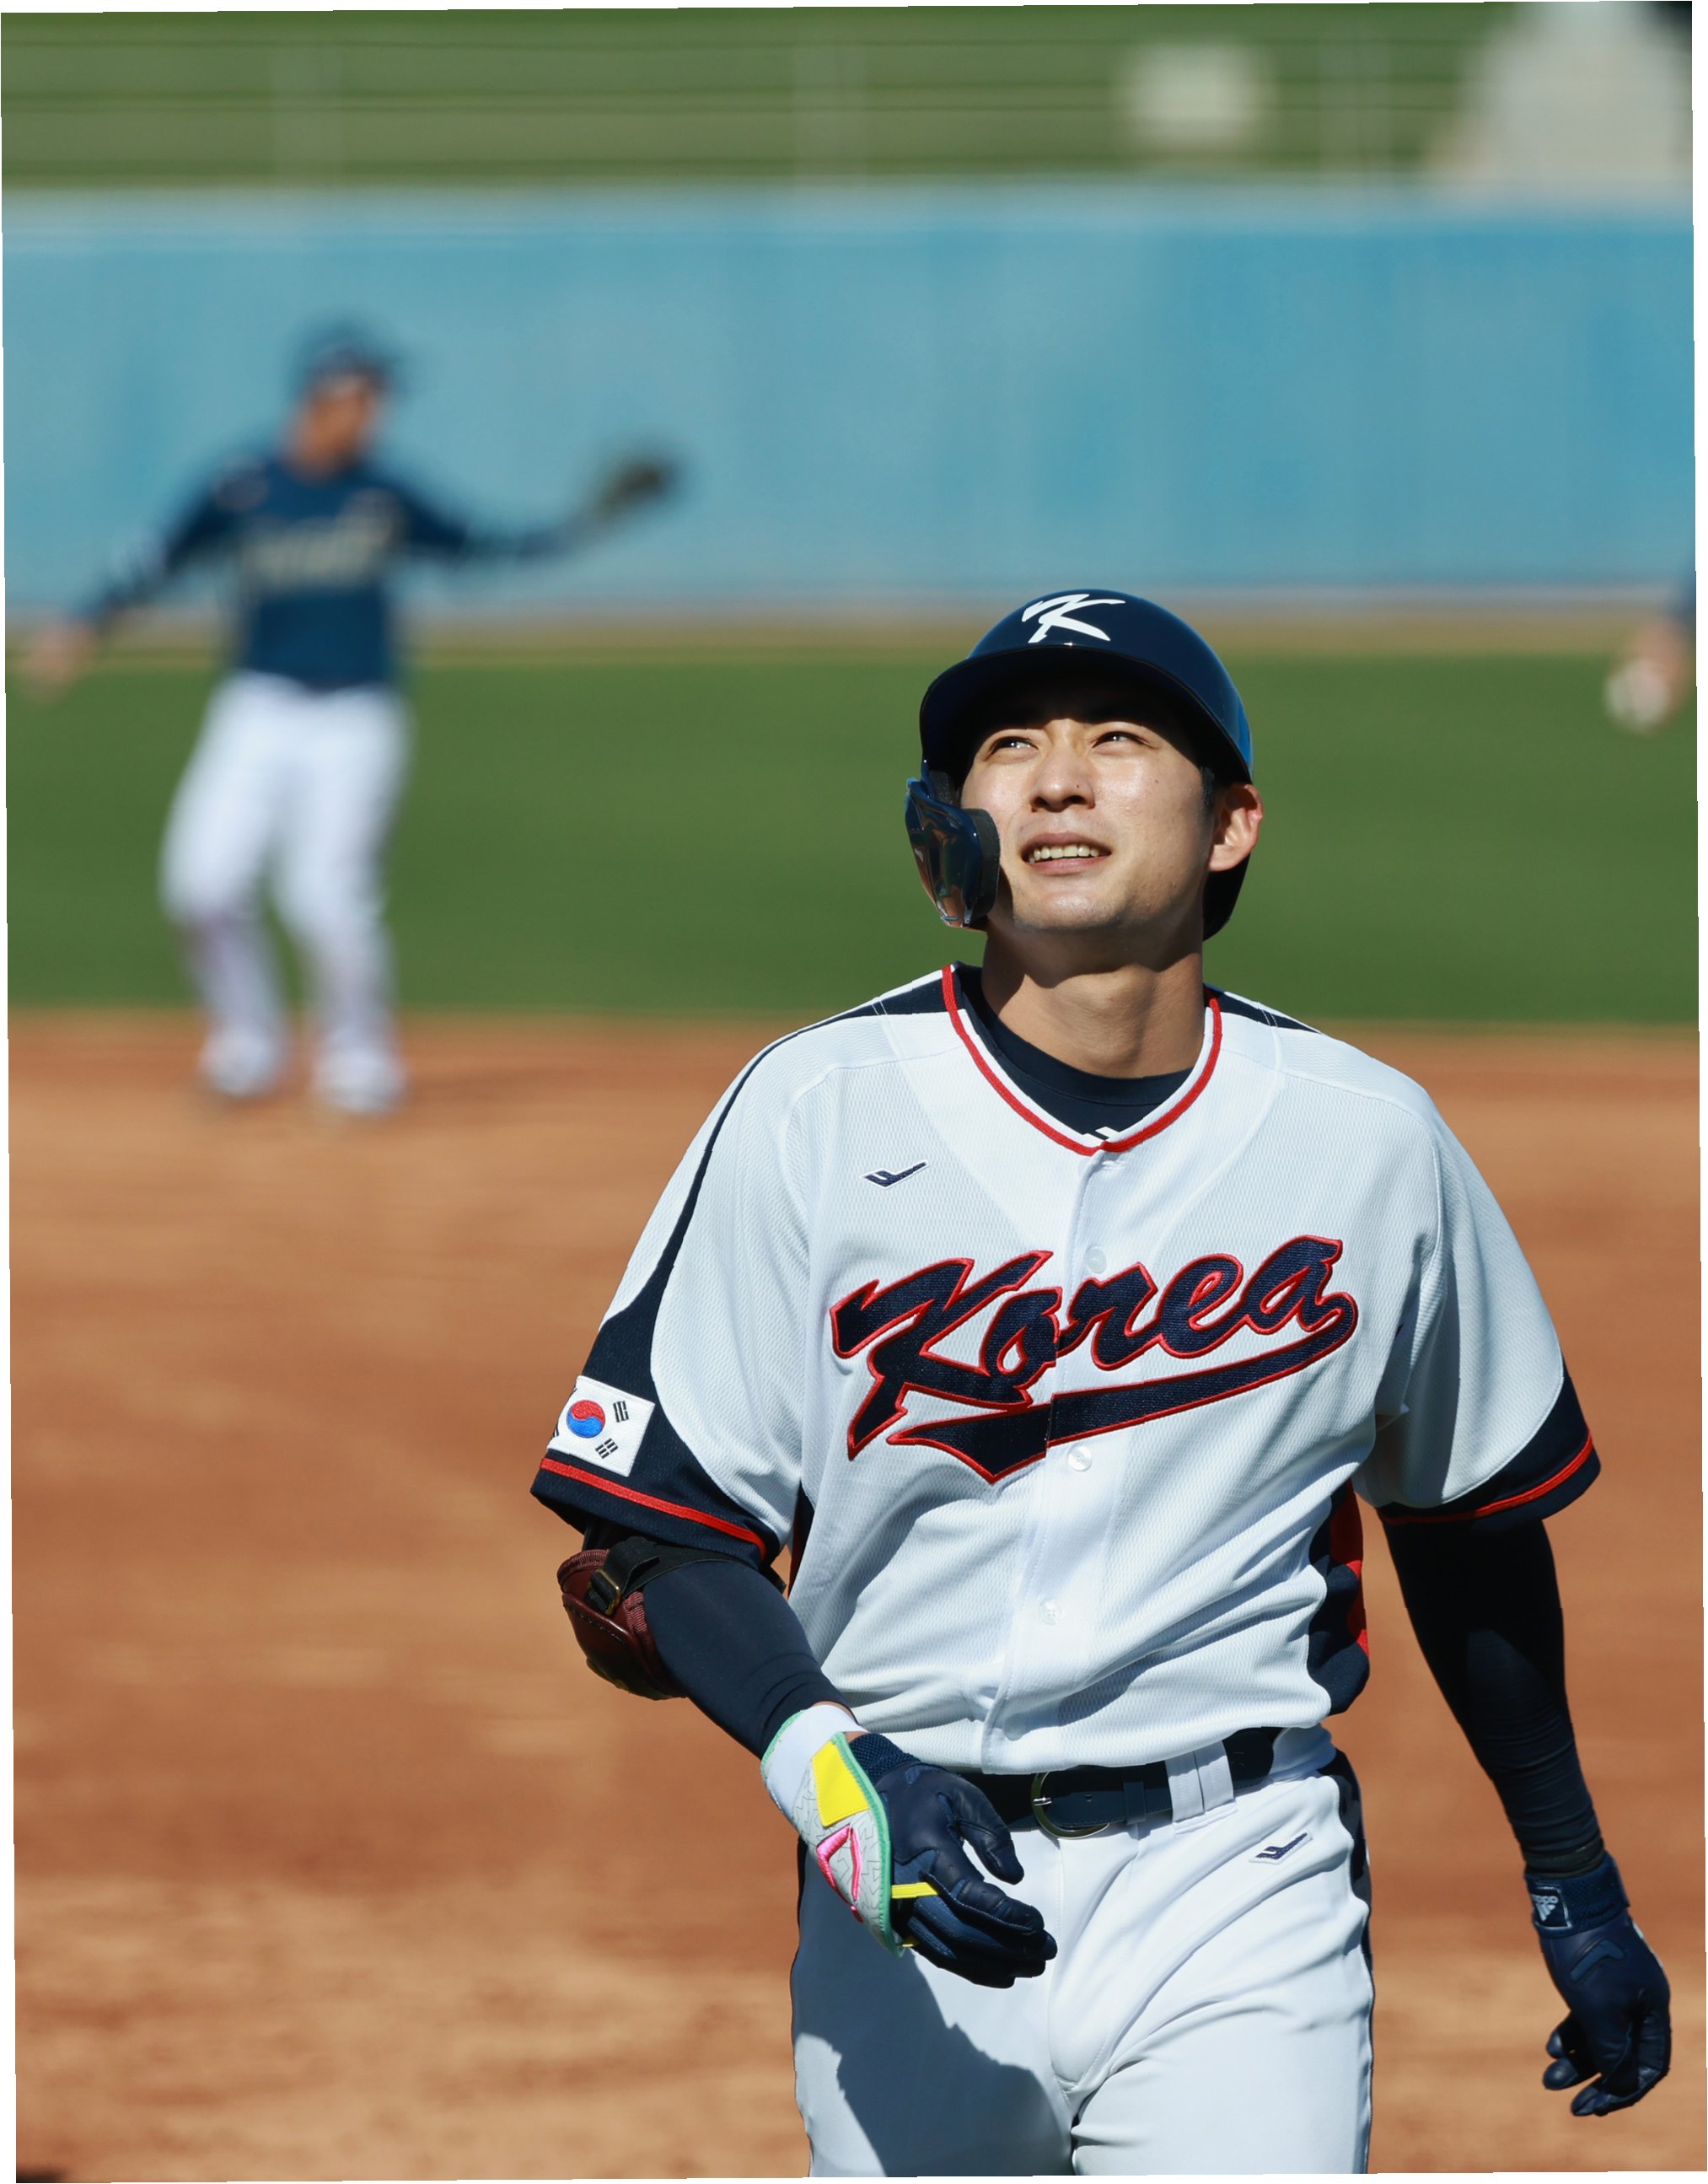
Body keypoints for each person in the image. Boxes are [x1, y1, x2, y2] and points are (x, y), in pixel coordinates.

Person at [531, 591, 1670, 2175]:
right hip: (908, 1886)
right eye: (1009, 748)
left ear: (1231, 823)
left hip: (1241, 1879)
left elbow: (1468, 1523)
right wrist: (838, 1781)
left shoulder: (1366, 1142)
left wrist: (1573, 1878)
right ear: (952, 824)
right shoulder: (813, 1107)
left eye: (1117, 739)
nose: (1057, 778)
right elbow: (655, 1531)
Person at [28, 327, 673, 1115]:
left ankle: (360, 1062)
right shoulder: (243, 486)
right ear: (325, 398)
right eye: (366, 397)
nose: (376, 414)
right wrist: (84, 624)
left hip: (356, 717)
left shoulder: (383, 495)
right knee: (201, 887)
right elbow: (156, 559)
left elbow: (481, 542)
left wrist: (579, 527)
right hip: (257, 708)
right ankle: (247, 1048)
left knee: (324, 899)